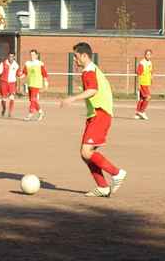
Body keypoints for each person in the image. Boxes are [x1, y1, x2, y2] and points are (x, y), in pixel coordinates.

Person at [60, 42, 127, 198]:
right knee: (86, 154)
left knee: (86, 152)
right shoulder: (92, 69)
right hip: (96, 115)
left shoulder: (89, 71)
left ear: (84, 56)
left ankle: (117, 173)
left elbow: (93, 90)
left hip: (100, 114)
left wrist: (73, 98)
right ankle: (103, 187)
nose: (75, 60)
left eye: (76, 57)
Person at [18, 49, 49, 121]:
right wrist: (20, 76)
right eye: (31, 54)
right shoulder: (27, 63)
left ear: (36, 55)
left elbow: (44, 73)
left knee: (33, 99)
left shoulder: (40, 63)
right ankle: (41, 112)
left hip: (37, 83)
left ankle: (30, 113)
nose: (32, 56)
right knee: (32, 100)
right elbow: (25, 73)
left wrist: (46, 83)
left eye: (33, 55)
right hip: (30, 83)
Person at [0, 52, 20, 117]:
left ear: (14, 57)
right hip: (4, 82)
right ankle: (4, 108)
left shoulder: (16, 65)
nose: (10, 58)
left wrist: (18, 85)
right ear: (8, 57)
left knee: (12, 97)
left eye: (12, 56)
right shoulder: (3, 63)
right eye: (9, 56)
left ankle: (10, 112)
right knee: (4, 97)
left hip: (12, 83)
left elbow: (18, 75)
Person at [135, 49, 153, 120]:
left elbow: (150, 71)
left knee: (142, 99)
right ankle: (142, 112)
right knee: (148, 97)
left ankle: (137, 113)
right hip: (142, 83)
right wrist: (138, 84)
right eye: (147, 54)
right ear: (144, 55)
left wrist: (151, 78)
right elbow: (138, 74)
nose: (148, 56)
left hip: (147, 83)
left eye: (149, 54)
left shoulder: (150, 63)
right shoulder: (142, 63)